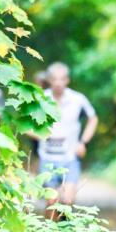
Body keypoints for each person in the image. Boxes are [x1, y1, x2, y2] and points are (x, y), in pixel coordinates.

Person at [37, 62, 98, 218]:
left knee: (67, 200)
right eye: (54, 79)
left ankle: (65, 231)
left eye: (62, 79)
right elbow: (25, 125)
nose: (58, 83)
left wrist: (83, 142)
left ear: (67, 80)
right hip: (47, 157)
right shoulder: (40, 99)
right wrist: (41, 135)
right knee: (52, 201)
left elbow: (93, 118)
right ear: (49, 80)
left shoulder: (78, 99)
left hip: (70, 158)